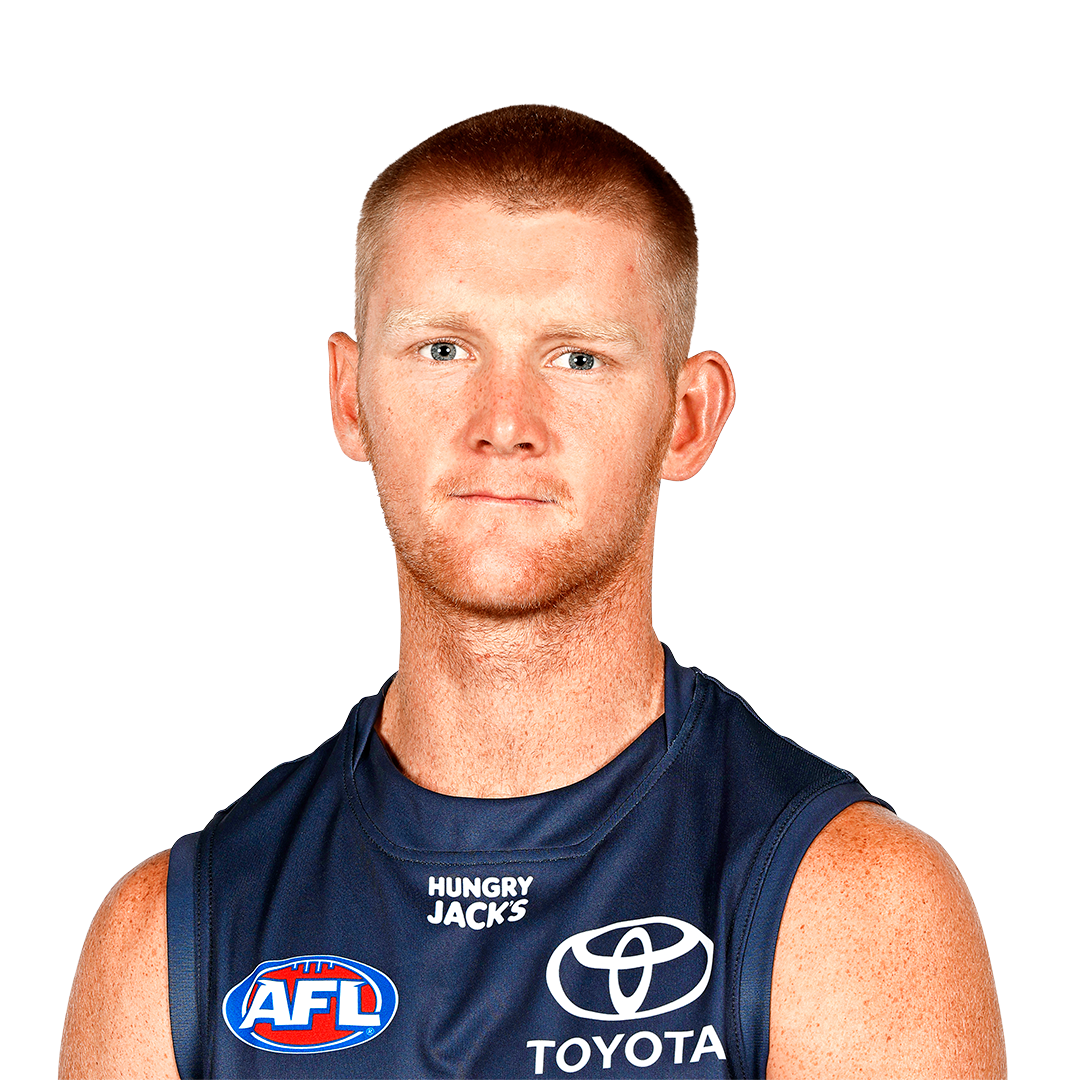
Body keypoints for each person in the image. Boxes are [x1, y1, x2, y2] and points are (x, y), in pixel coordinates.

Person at [60, 104, 1005, 1079]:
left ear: (687, 417)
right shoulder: (170, 942)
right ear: (349, 398)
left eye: (578, 357)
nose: (504, 422)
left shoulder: (847, 909)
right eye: (443, 349)